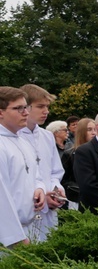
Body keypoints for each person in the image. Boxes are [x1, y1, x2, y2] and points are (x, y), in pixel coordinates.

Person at [19, 84, 65, 242]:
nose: (46, 111)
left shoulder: (47, 136)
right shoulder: (14, 136)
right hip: (27, 209)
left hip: (48, 212)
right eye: (40, 106)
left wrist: (55, 191)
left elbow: (56, 171)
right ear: (26, 107)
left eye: (47, 106)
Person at [0, 87, 45, 246]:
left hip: (31, 226)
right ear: (1, 112)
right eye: (18, 108)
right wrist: (16, 239)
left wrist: (40, 188)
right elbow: (1, 198)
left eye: (26, 107)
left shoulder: (22, 140)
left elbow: (34, 174)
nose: (26, 112)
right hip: (9, 238)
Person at [61, 117, 96, 211]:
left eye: (95, 129)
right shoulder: (69, 154)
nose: (94, 133)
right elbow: (64, 179)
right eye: (89, 130)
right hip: (77, 200)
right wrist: (77, 189)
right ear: (82, 132)